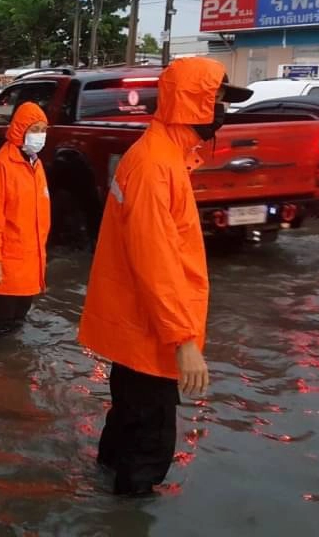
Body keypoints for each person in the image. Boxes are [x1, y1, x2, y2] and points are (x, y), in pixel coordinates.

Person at [78, 57, 252, 497]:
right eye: (217, 102)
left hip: (140, 329)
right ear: (192, 104)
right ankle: (126, 513)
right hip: (150, 333)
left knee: (126, 427)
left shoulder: (164, 158)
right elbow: (155, 263)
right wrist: (184, 342)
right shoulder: (156, 165)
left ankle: (106, 495)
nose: (223, 114)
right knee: (149, 447)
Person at [0, 102, 51, 337]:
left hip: (29, 260)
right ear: (20, 129)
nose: (40, 135)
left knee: (18, 321)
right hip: (8, 262)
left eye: (44, 129)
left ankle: (13, 367)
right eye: (35, 129)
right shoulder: (1, 166)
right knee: (2, 323)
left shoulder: (35, 164)